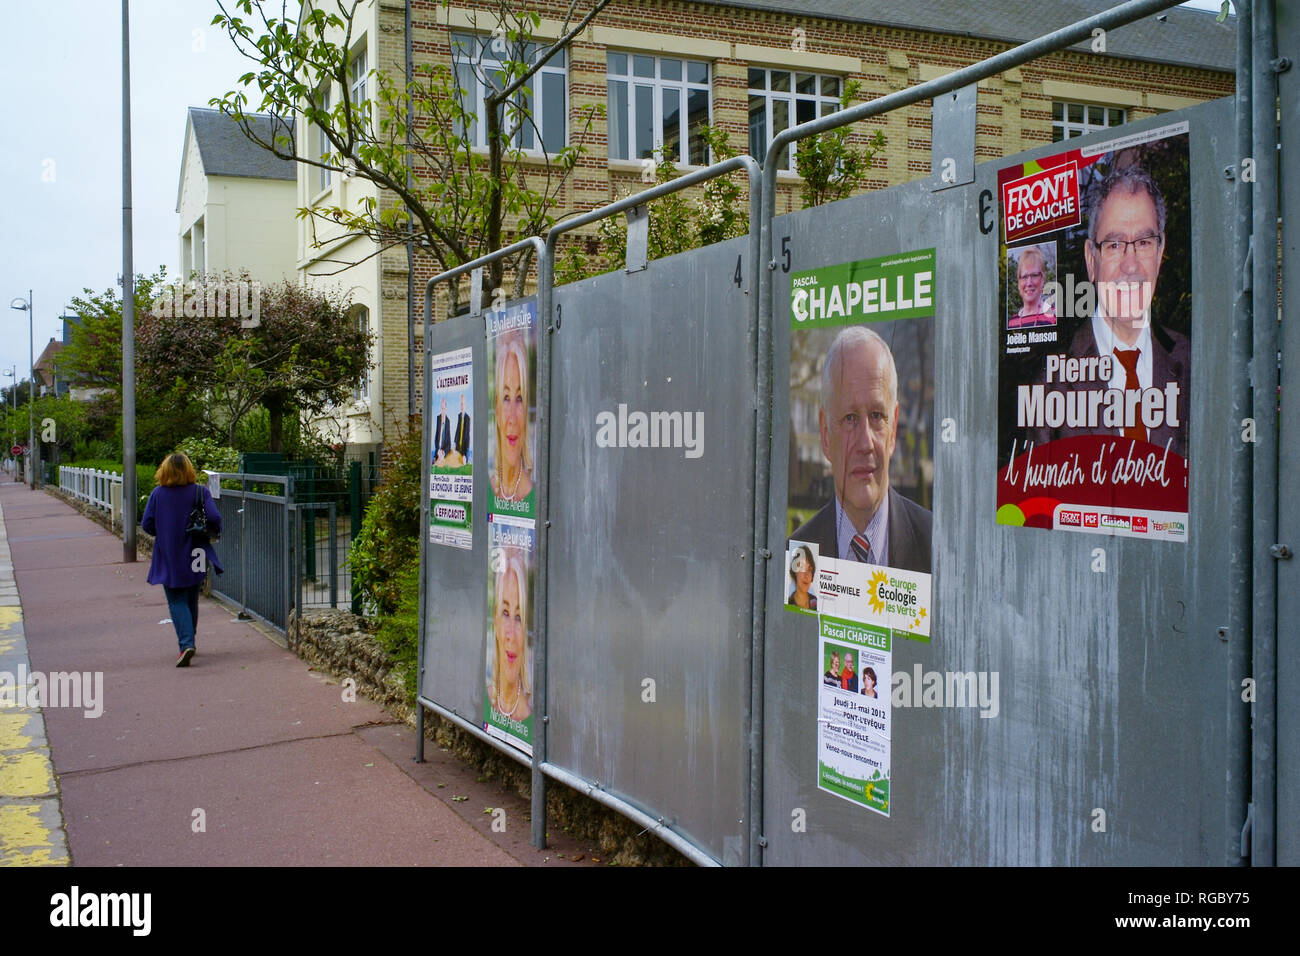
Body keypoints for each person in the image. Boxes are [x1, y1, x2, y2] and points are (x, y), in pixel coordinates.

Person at [1031, 162, 1189, 458]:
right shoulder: (1051, 383)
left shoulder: (1193, 364)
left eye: (1143, 242)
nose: (1131, 266)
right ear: (1092, 260)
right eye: (1114, 245)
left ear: (1160, 251)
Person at [790, 326, 932, 574]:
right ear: (825, 434)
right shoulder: (796, 558)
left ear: (894, 428)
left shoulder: (936, 546)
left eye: (877, 415)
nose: (865, 442)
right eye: (849, 418)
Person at [141, 452, 223, 667]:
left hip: (169, 552)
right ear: (189, 470)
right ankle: (190, 637)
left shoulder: (158, 494)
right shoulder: (200, 492)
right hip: (196, 551)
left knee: (176, 598)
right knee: (191, 594)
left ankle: (186, 643)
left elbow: (147, 524)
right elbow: (214, 517)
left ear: (164, 471)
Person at [488, 548, 532, 722]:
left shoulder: (529, 716)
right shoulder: (486, 696)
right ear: (495, 620)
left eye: (519, 617)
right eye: (505, 613)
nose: (511, 635)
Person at [490, 334, 534, 504]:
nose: (513, 419)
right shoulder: (489, 487)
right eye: (506, 398)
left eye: (520, 398)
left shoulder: (532, 494)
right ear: (496, 409)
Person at [1007, 246, 1056, 329]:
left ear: (1043, 279)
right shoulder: (1011, 322)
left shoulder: (1053, 316)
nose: (1029, 283)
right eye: (1024, 276)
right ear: (1019, 283)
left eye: (1034, 275)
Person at [787, 544, 818, 611]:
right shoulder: (788, 603)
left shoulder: (816, 602)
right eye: (802, 567)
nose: (806, 574)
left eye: (809, 569)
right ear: (795, 571)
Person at [433, 396, 453, 465]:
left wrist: (443, 452)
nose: (442, 410)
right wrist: (438, 449)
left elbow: (449, 443)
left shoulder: (448, 421)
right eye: (441, 408)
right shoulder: (438, 418)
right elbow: (436, 437)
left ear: (446, 408)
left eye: (444, 408)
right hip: (437, 451)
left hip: (444, 453)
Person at [454, 392, 471, 460]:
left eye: (463, 404)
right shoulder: (459, 416)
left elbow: (466, 436)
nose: (461, 406)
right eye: (461, 404)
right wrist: (455, 443)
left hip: (465, 447)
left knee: (463, 462)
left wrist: (464, 453)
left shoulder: (467, 418)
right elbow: (457, 430)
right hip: (458, 446)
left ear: (465, 405)